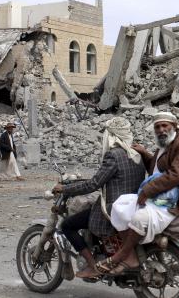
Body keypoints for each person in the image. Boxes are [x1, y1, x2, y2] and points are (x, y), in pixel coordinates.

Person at [99, 112, 179, 274]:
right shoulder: (164, 145)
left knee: (140, 218)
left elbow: (177, 174)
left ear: (174, 127)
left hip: (175, 201)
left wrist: (147, 190)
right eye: (157, 127)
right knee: (120, 205)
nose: (161, 130)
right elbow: (157, 170)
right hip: (159, 196)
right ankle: (132, 253)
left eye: (164, 126)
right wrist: (145, 154)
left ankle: (123, 255)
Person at [52, 117, 146, 278]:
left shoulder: (113, 155)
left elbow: (93, 184)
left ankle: (92, 266)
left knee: (68, 225)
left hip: (112, 209)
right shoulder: (137, 153)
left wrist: (65, 188)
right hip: (134, 205)